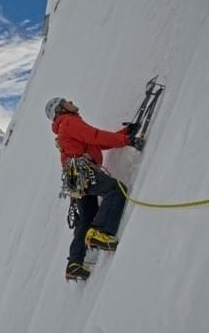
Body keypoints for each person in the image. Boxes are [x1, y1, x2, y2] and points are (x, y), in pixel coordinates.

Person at [45, 97, 143, 281]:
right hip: (83, 171)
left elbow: (95, 142)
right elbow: (95, 136)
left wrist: (124, 133)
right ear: (60, 109)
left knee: (87, 217)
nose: (70, 101)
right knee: (116, 189)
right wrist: (128, 140)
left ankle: (74, 263)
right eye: (66, 101)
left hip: (75, 178)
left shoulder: (65, 127)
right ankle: (101, 232)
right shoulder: (69, 121)